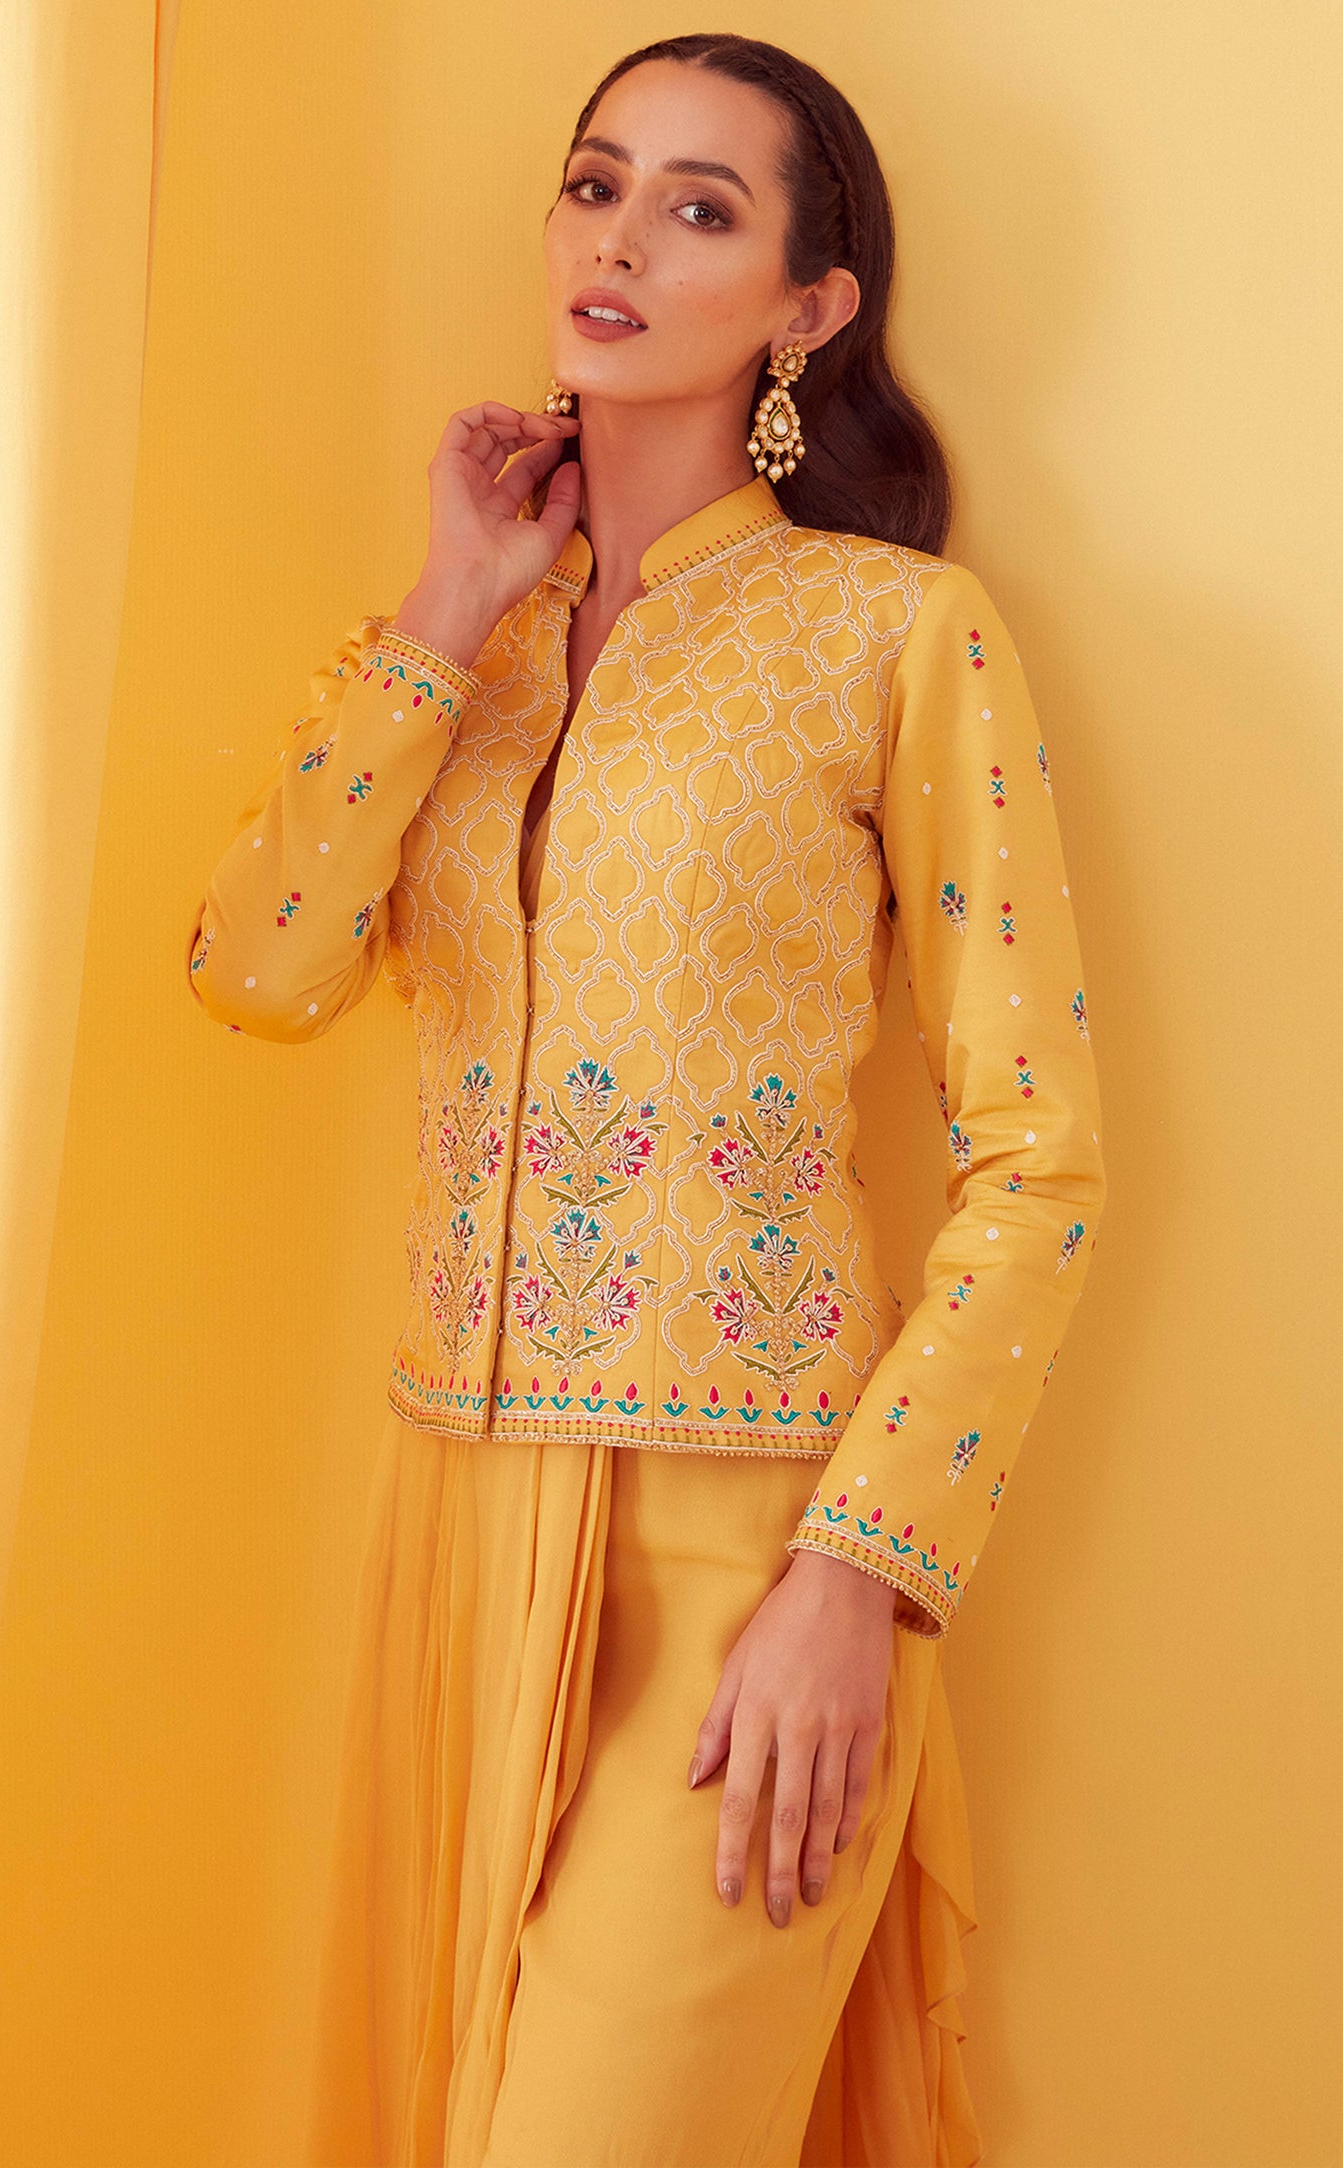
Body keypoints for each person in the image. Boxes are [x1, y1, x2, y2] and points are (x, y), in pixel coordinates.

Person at [185, 31, 1106, 2168]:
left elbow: (1039, 1159)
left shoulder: (894, 633)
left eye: (701, 209)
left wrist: (858, 1576)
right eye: (596, 185)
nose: (619, 240)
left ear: (809, 308)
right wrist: (446, 602)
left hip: (750, 1547)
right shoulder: (464, 652)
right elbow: (256, 972)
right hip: (455, 1525)